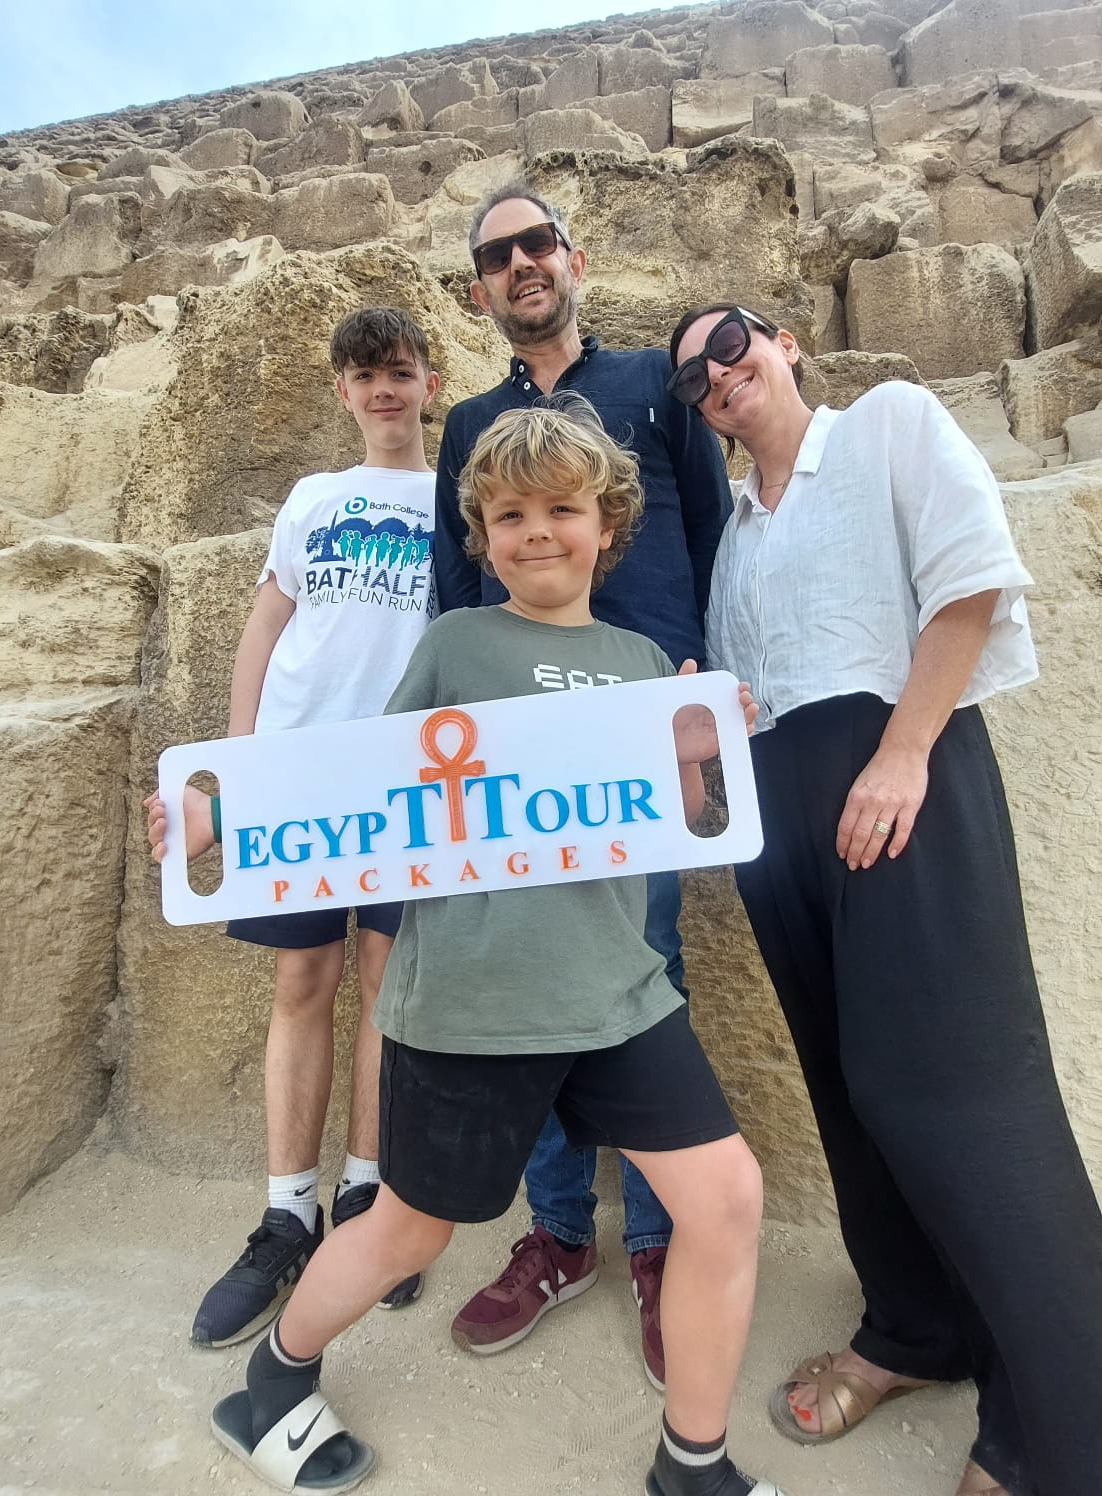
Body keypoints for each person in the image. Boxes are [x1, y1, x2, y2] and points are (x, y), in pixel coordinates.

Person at [204, 399, 783, 1496]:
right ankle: (273, 1381)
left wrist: (697, 750)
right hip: (471, 1001)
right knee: (409, 1231)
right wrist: (219, 818)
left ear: (606, 524)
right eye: (509, 514)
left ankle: (692, 1463)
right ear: (481, 534)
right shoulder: (455, 643)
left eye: (561, 509)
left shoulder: (640, 658)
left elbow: (680, 820)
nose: (536, 532)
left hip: (617, 994)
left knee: (726, 1200)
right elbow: (360, 789)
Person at [664, 303, 1102, 1496]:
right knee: (852, 1094)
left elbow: (968, 580)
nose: (716, 377)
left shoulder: (886, 424)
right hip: (781, 827)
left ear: (783, 341)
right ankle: (914, 1327)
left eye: (729, 345)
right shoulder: (731, 531)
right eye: (691, 379)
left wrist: (902, 753)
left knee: (967, 1109)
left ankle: (1068, 1445)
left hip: (896, 784)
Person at [434, 182, 732, 1388]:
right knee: (530, 984)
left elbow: (710, 534)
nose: (520, 263)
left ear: (573, 256)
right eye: (495, 255)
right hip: (517, 754)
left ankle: (653, 1242)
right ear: (478, 290)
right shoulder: (469, 422)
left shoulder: (653, 386)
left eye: (536, 242)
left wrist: (705, 688)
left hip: (640, 738)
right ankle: (558, 1232)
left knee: (640, 969)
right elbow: (456, 582)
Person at [145, 306, 440, 1347]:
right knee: (302, 980)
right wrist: (237, 764)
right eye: (363, 375)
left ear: (428, 380)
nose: (382, 390)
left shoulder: (454, 497)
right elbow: (267, 624)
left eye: (397, 371)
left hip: (406, 782)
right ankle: (286, 1214)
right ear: (341, 390)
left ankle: (366, 1192)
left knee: (388, 984)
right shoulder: (313, 497)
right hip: (300, 770)